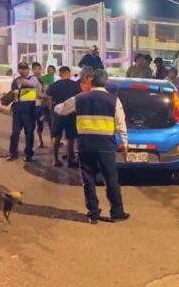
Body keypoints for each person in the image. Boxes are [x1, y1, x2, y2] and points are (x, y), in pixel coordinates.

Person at [54, 69, 130, 224]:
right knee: (111, 179)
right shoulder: (114, 100)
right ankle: (117, 212)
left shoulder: (80, 98)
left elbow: (59, 109)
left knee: (88, 179)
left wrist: (71, 107)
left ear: (91, 82)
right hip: (105, 145)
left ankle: (93, 214)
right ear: (106, 82)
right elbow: (121, 123)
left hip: (85, 144)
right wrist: (124, 143)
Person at [46, 66, 82, 168]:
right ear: (69, 73)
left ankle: (55, 160)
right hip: (71, 114)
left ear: (60, 74)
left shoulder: (54, 85)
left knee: (56, 137)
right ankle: (70, 160)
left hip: (58, 113)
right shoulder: (75, 85)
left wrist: (51, 110)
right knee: (70, 138)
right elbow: (79, 98)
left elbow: (48, 97)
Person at [8, 62, 39, 162]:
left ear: (28, 70)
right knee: (15, 133)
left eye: (25, 68)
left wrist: (21, 81)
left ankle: (28, 154)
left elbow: (32, 84)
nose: (22, 70)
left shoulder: (33, 79)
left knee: (29, 133)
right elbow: (13, 93)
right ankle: (13, 153)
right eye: (20, 68)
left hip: (29, 112)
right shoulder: (15, 81)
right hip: (17, 111)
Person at [31, 62, 49, 148]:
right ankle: (39, 141)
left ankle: (47, 140)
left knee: (46, 123)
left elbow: (48, 89)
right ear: (32, 70)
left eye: (39, 69)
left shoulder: (45, 79)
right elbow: (36, 93)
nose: (37, 71)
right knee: (36, 123)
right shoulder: (31, 80)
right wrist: (45, 96)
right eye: (35, 69)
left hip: (45, 104)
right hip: (35, 104)